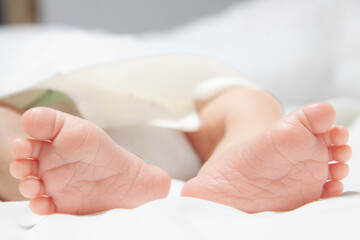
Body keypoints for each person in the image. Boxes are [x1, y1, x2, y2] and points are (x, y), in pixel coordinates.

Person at [1, 83, 351, 215]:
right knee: (247, 101)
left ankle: (235, 163)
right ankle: (62, 179)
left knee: (245, 97)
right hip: (65, 137)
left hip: (176, 123)